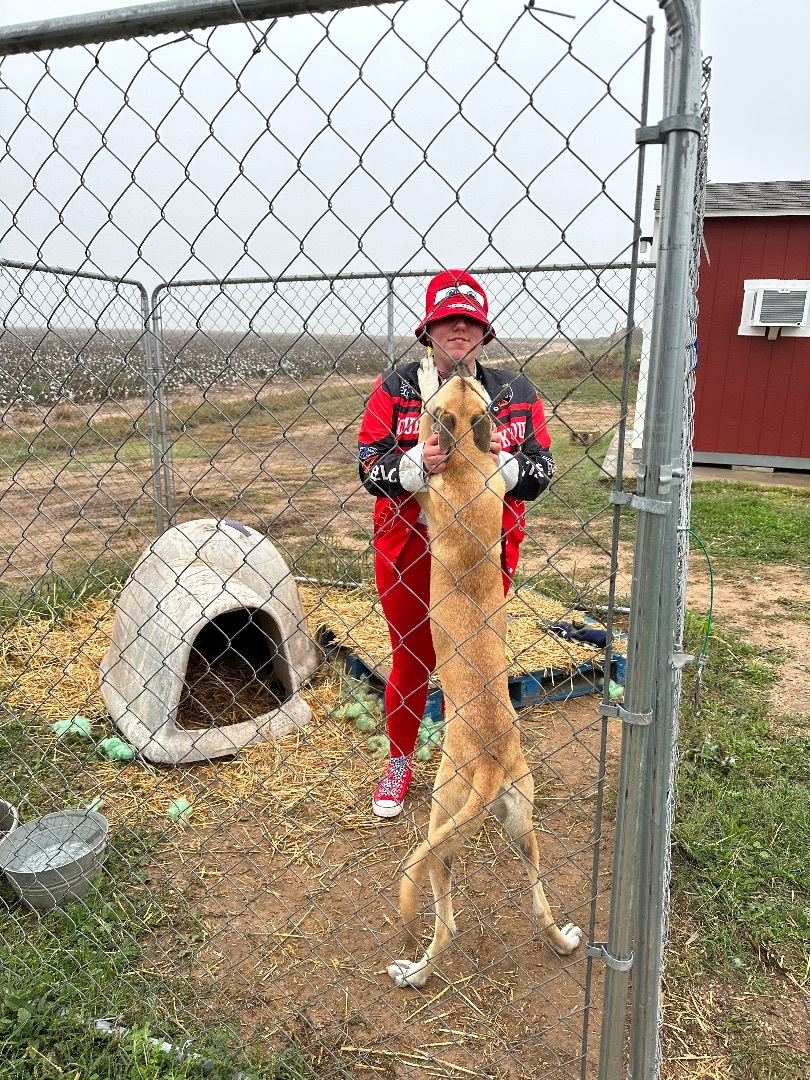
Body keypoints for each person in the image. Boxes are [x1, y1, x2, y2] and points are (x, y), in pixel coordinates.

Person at [357, 269, 555, 818]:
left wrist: (501, 463)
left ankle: (473, 760)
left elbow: (541, 472)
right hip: (410, 547)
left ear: (484, 332)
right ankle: (400, 760)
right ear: (428, 330)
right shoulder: (396, 389)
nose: (459, 329)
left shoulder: (514, 392)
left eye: (470, 320)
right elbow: (369, 467)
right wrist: (416, 465)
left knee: (477, 660)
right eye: (448, 320)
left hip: (483, 551)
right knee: (413, 658)